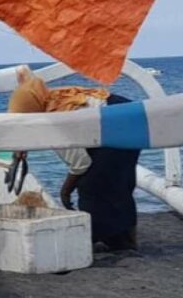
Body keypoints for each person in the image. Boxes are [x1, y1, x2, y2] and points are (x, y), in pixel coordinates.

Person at [8, 72, 139, 250]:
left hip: (117, 122)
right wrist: (21, 148)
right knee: (119, 184)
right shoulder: (52, 98)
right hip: (126, 113)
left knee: (91, 186)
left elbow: (80, 163)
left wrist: (65, 191)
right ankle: (125, 240)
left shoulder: (56, 120)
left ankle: (101, 240)